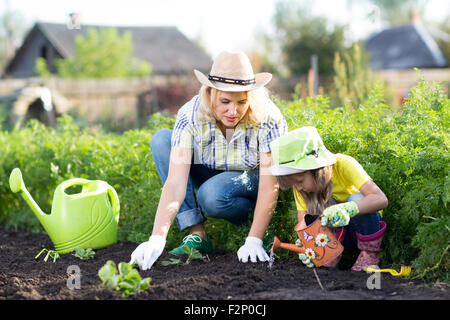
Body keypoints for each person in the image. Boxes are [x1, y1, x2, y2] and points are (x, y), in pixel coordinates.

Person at [130, 51, 288, 270]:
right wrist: (157, 237)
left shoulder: (267, 117)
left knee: (211, 195)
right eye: (225, 101)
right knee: (162, 140)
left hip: (252, 178)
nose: (233, 111)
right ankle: (198, 235)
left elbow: (271, 183)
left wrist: (255, 239)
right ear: (210, 93)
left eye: (241, 102)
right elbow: (175, 183)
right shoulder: (190, 115)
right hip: (210, 170)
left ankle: (255, 225)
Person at [269, 126, 388, 271]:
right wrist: (309, 245)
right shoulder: (302, 188)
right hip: (335, 239)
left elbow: (380, 199)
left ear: (315, 168)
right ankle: (330, 255)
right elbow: (304, 222)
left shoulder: (343, 165)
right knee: (316, 202)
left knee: (356, 197)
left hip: (362, 230)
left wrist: (348, 208)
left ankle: (370, 254)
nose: (298, 187)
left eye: (300, 181)